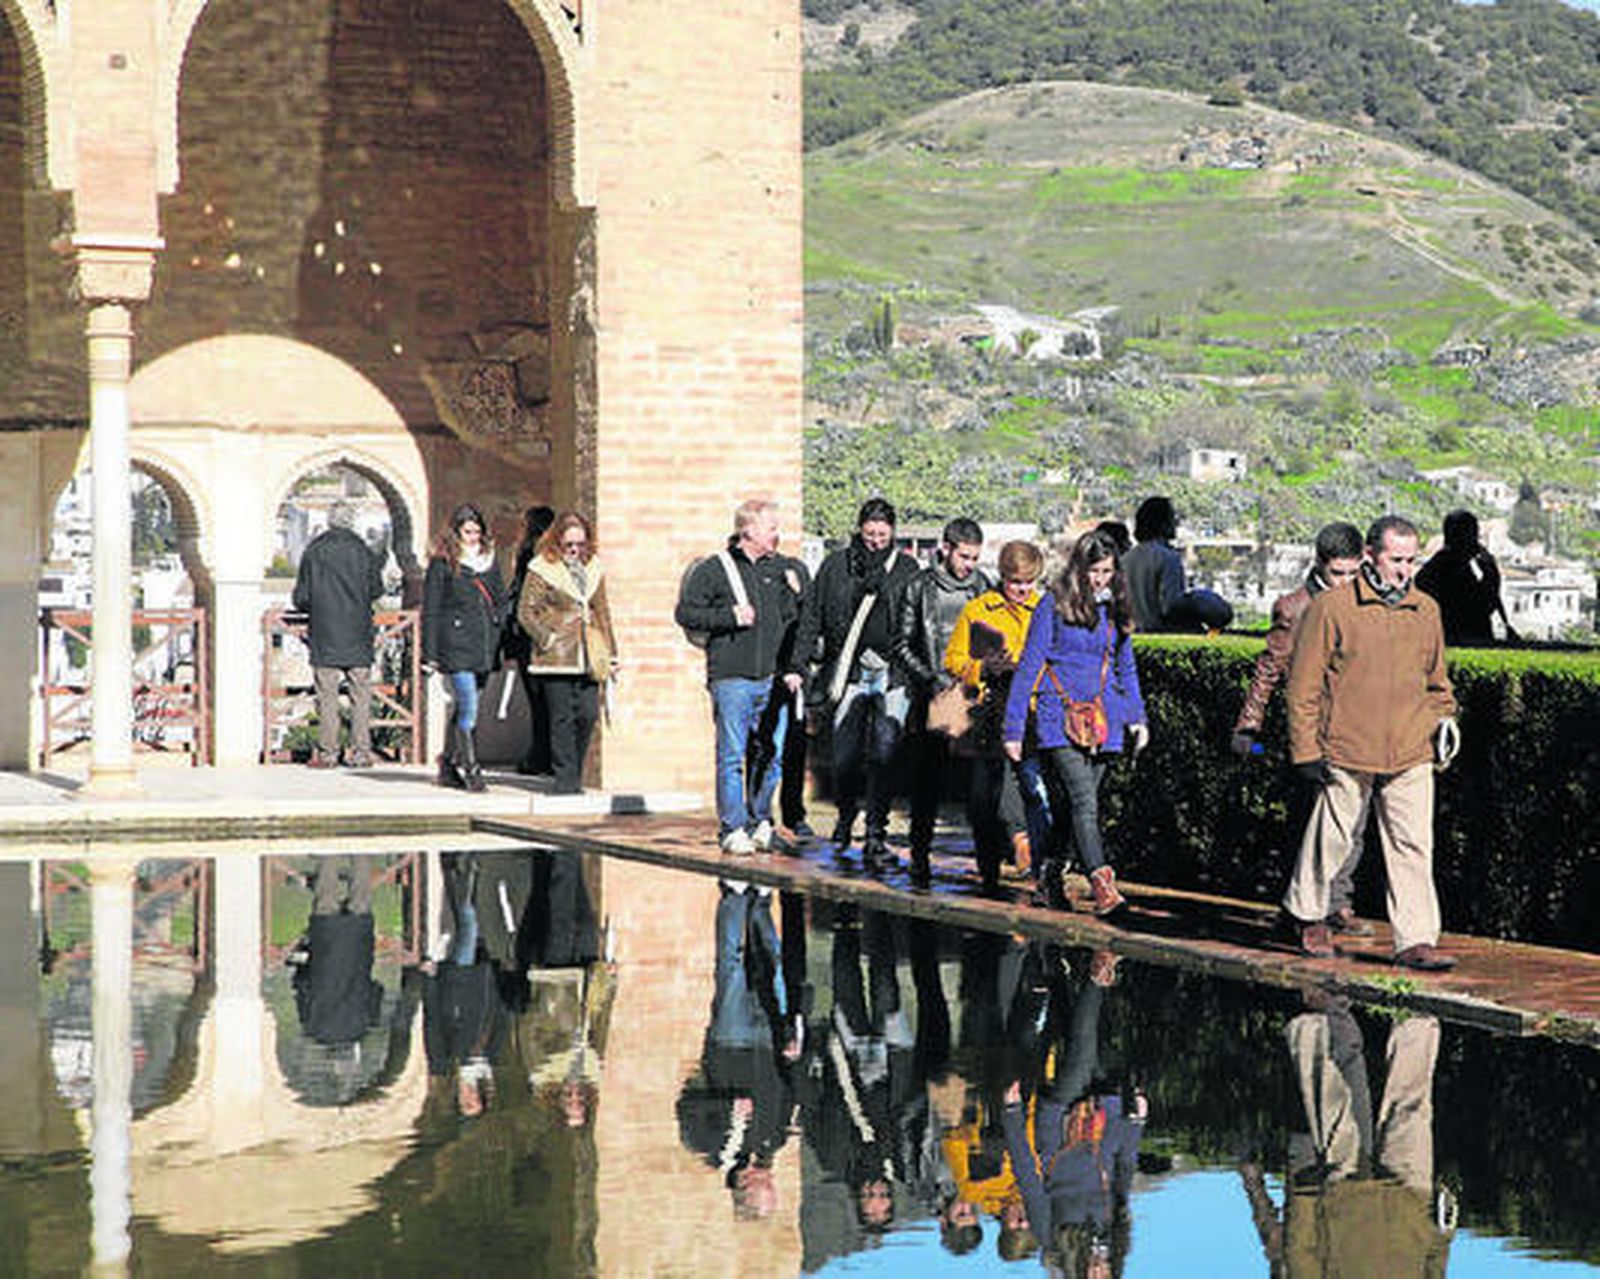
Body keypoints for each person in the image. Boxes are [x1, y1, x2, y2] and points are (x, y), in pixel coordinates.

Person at [1282, 515, 1460, 970]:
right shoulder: (1332, 609)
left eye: (1411, 560)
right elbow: (1303, 687)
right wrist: (1305, 750)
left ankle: (1416, 939)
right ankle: (1308, 913)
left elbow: (1438, 682)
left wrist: (1445, 717)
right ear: (1370, 556)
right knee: (1332, 837)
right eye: (1396, 559)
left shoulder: (1427, 610)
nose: (1405, 569)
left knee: (1414, 844)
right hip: (1346, 744)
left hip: (1411, 747)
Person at [1232, 522, 1371, 937]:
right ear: (1320, 565)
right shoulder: (1294, 608)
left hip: (1355, 726)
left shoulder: (1364, 604)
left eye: (1352, 573)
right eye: (1338, 574)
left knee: (1355, 820)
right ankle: (1300, 906)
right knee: (1312, 818)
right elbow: (1269, 668)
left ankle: (1338, 902)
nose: (1345, 582)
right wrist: (1249, 723)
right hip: (1310, 729)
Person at [1003, 531, 1149, 916]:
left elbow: (1125, 668)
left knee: (1074, 806)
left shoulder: (1115, 609)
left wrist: (1137, 716)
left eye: (1106, 571)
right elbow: (1029, 666)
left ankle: (1048, 876)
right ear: (1078, 569)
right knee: (1084, 799)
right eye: (1093, 571)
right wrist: (1014, 728)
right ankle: (1103, 885)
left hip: (1106, 719)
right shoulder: (1051, 605)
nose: (1099, 579)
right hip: (1058, 716)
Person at [784, 498, 921, 870]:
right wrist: (799, 662)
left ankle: (876, 831)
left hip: (892, 673)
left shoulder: (907, 568)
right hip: (848, 672)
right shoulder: (835, 566)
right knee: (844, 754)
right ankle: (846, 815)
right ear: (859, 529)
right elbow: (812, 616)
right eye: (870, 532)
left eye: (882, 533)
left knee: (884, 752)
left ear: (892, 532)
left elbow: (918, 623)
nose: (876, 540)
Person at [675, 500, 805, 855]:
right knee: (732, 755)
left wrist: (796, 592)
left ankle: (759, 818)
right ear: (748, 530)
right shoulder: (716, 569)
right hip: (731, 676)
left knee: (771, 752)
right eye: (770, 528)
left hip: (771, 676)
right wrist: (730, 616)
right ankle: (732, 828)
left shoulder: (781, 569)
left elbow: (795, 620)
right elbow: (685, 612)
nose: (776, 534)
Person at [944, 540, 1051, 894]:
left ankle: (1031, 850)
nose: (1022, 590)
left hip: (1033, 712)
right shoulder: (979, 609)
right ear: (1003, 577)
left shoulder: (1046, 610)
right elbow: (953, 660)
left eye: (1028, 583)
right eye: (1015, 582)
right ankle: (991, 865)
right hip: (989, 714)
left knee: (1028, 787)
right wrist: (984, 668)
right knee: (983, 796)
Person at [892, 516, 990, 883]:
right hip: (935, 691)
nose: (969, 565)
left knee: (977, 782)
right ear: (945, 549)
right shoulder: (918, 587)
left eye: (975, 558)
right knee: (928, 780)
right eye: (965, 556)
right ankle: (920, 854)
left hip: (972, 691)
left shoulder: (982, 586)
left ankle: (987, 860)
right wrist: (930, 679)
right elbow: (900, 643)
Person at [517, 511, 619, 795]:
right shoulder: (541, 568)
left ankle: (574, 772)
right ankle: (565, 780)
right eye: (568, 545)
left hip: (589, 651)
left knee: (587, 714)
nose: (574, 550)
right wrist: (546, 638)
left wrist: (611, 652)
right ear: (557, 542)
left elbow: (603, 611)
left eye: (579, 544)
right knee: (561, 718)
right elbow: (526, 611)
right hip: (556, 655)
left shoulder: (594, 567)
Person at [292, 501, 384, 768]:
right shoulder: (363, 551)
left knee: (328, 697)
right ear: (351, 521)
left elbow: (302, 597)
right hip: (358, 633)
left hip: (325, 633)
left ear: (330, 521)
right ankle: (360, 753)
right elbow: (376, 590)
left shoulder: (315, 550)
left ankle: (329, 753)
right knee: (361, 696)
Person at [423, 503, 507, 793]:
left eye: (476, 531)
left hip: (484, 645)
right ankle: (471, 769)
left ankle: (447, 764)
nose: (472, 537)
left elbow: (500, 600)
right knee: (469, 703)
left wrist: (501, 636)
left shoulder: (489, 561)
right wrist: (430, 653)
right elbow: (431, 608)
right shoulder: (443, 561)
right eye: (467, 531)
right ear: (456, 532)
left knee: (465, 705)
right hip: (456, 644)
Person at [1122, 495, 1233, 633]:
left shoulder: (1126, 559)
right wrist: (1199, 603)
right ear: (1163, 523)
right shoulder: (1168, 557)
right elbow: (1171, 606)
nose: (1176, 524)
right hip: (1164, 636)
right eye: (1172, 519)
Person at [505, 504, 556, 775]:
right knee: (546, 699)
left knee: (539, 700)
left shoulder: (530, 554)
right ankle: (544, 755)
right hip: (544, 632)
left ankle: (540, 755)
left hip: (531, 633)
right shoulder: (544, 554)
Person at [1415, 509, 1518, 646]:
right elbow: (1481, 609)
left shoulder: (1432, 570)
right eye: (1474, 535)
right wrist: (1490, 574)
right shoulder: (1456, 571)